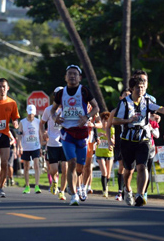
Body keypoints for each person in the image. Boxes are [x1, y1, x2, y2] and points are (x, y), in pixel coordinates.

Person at [112, 76, 164, 207]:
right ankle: (128, 190)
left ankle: (140, 194)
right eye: (138, 87)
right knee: (128, 170)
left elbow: (162, 110)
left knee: (142, 166)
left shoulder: (147, 101)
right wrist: (128, 120)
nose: (140, 89)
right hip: (127, 139)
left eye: (143, 87)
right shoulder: (124, 103)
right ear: (132, 88)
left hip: (143, 139)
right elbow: (115, 121)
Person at [52, 65, 99, 206]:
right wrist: (55, 118)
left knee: (80, 168)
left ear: (79, 77)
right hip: (67, 132)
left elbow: (96, 107)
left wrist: (87, 117)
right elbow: (52, 110)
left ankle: (77, 187)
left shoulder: (84, 91)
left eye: (75, 74)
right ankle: (73, 195)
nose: (72, 76)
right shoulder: (60, 94)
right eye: (69, 74)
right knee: (71, 163)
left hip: (82, 132)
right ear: (65, 77)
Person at [41, 86, 68, 200]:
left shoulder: (67, 110)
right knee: (53, 170)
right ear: (54, 96)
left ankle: (62, 191)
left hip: (65, 142)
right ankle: (55, 182)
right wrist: (44, 133)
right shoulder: (48, 110)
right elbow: (41, 123)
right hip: (52, 143)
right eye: (58, 95)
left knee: (65, 168)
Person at [18, 104, 44, 194]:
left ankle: (37, 186)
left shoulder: (38, 122)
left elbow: (40, 134)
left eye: (32, 114)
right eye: (29, 113)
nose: (30, 115)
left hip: (35, 146)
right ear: (26, 112)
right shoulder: (22, 122)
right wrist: (19, 146)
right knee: (26, 167)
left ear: (35, 113)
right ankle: (27, 186)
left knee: (36, 165)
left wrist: (40, 146)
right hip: (25, 147)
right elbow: (19, 135)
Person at [96, 112, 114, 198]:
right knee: (104, 172)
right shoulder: (98, 130)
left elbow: (114, 142)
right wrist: (98, 138)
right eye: (104, 121)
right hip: (100, 153)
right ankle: (104, 190)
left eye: (107, 121)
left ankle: (106, 187)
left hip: (109, 153)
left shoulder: (112, 130)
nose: (105, 123)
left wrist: (107, 136)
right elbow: (95, 141)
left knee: (108, 174)